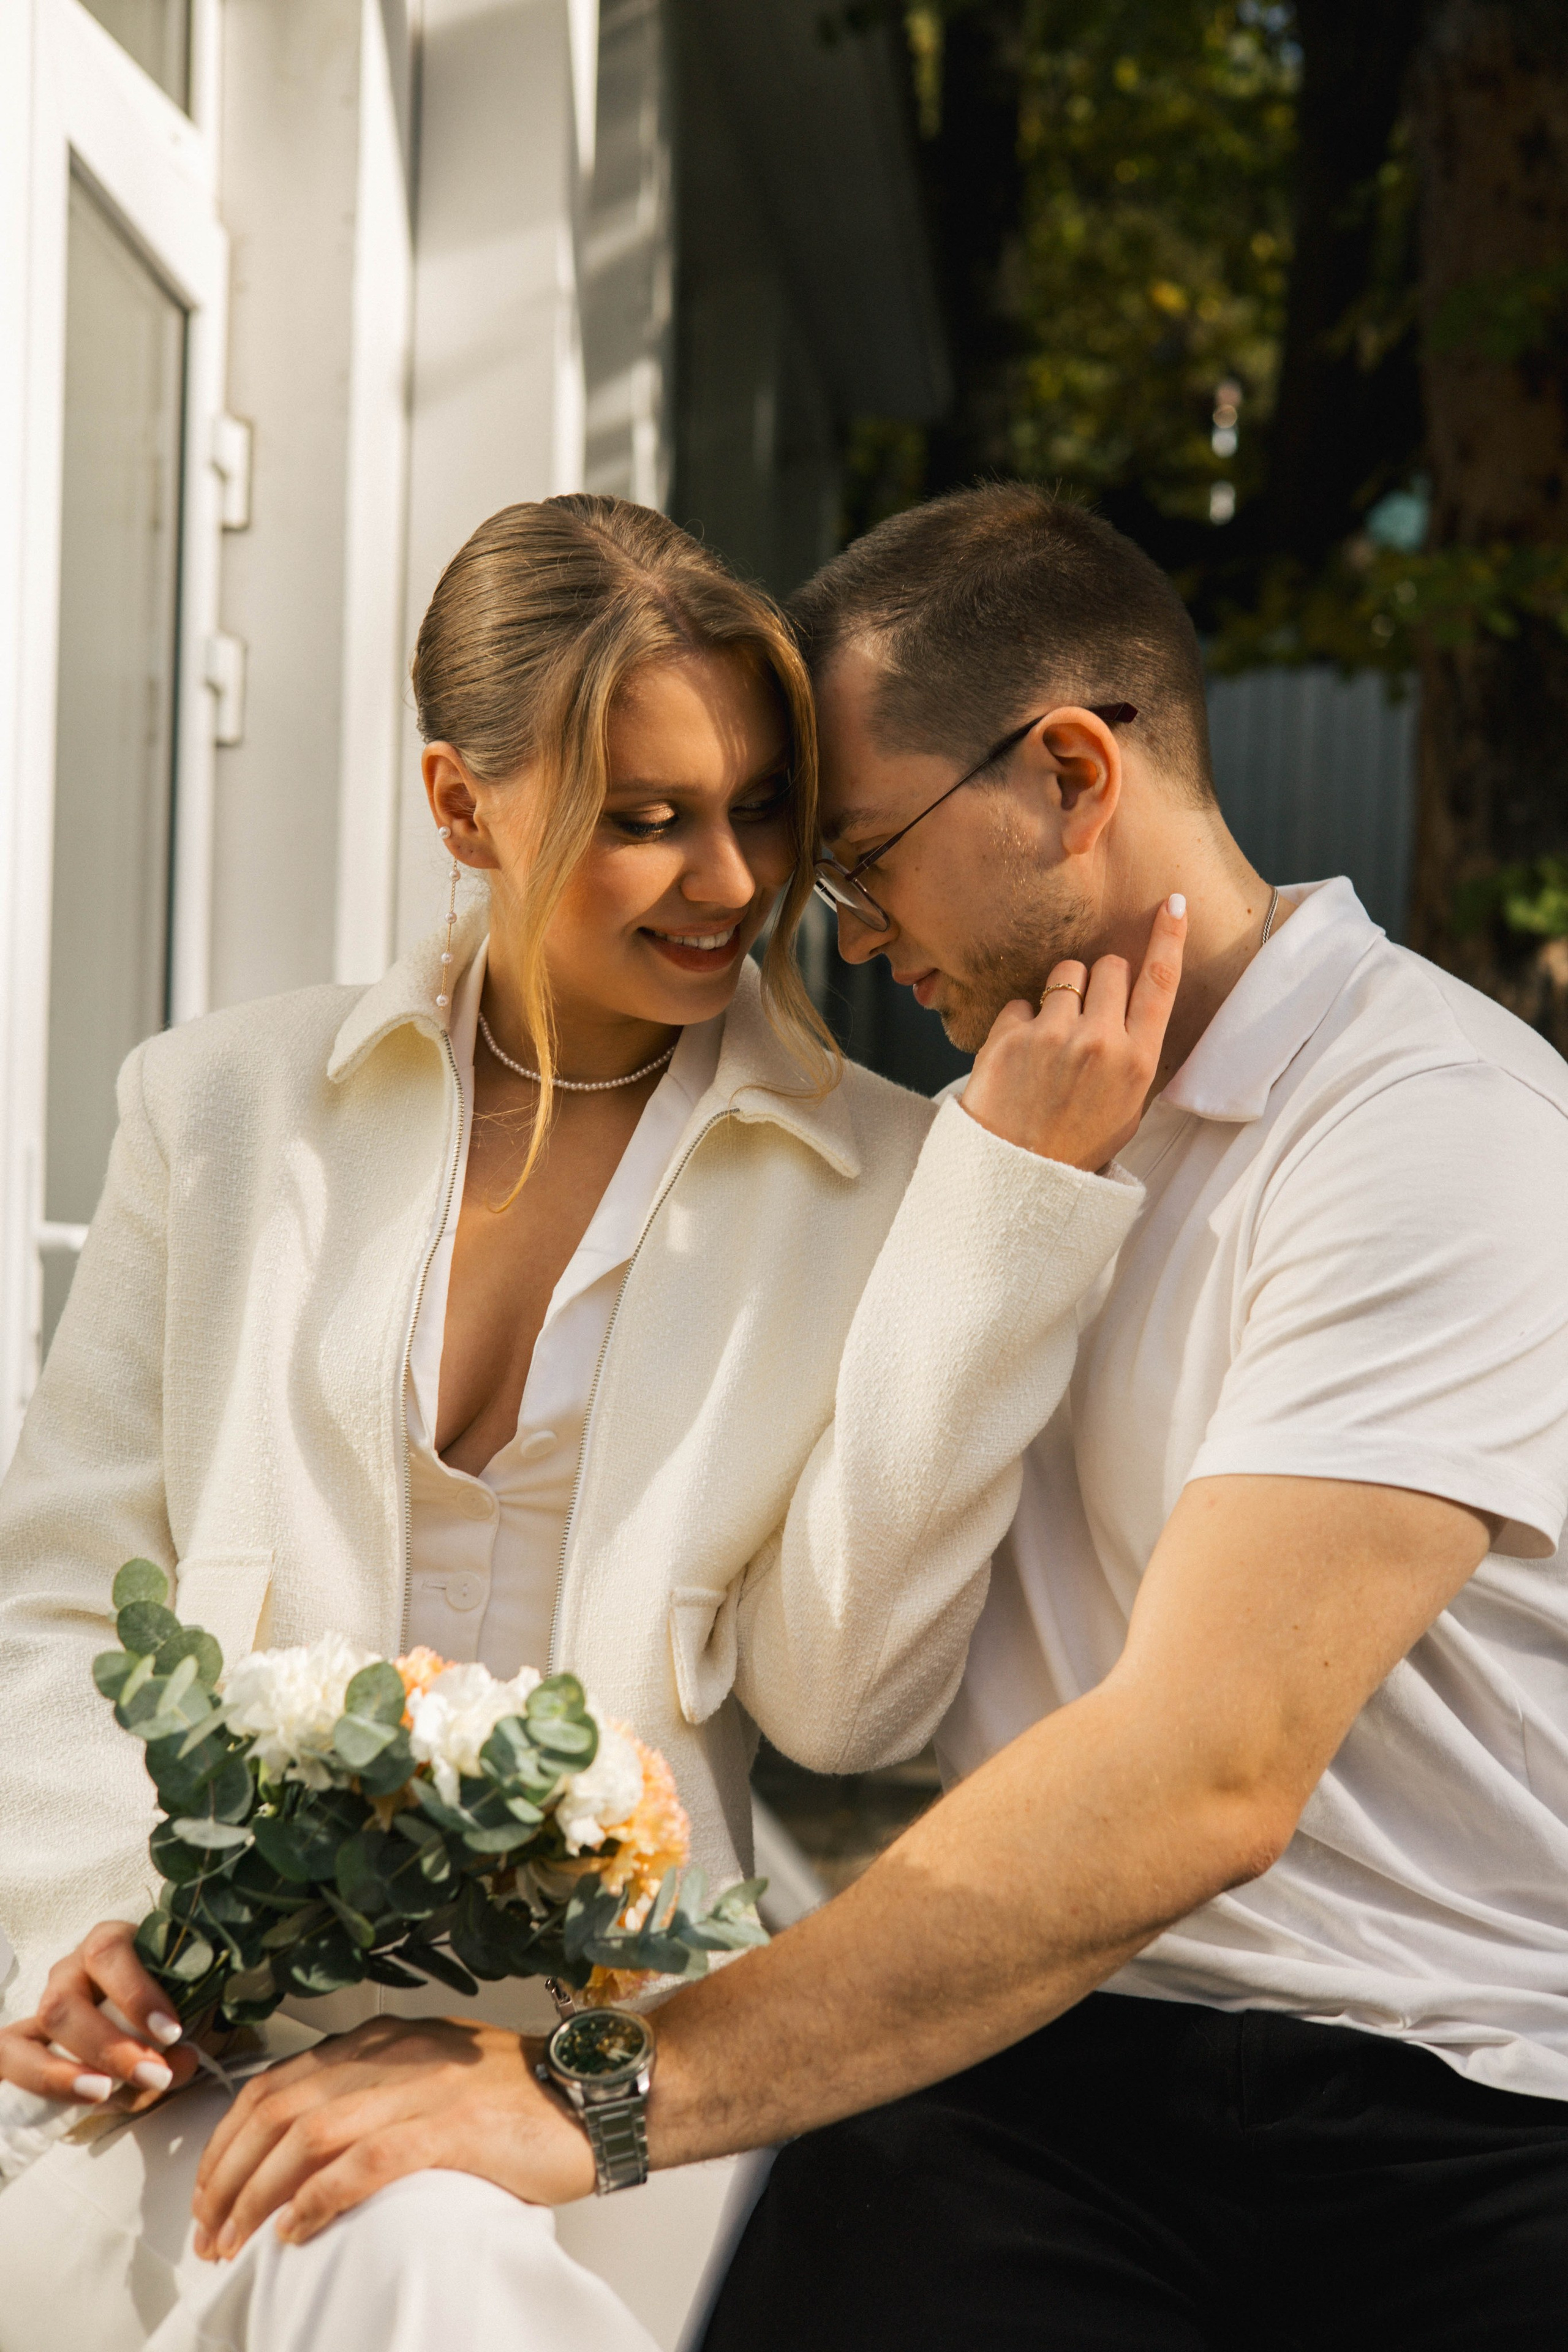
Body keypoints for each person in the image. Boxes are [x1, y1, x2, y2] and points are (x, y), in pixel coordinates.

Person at [173, 484, 1568, 2352]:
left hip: (1439, 2094)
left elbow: (1206, 1778)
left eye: (857, 859)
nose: (823, 935)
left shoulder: (1425, 1127)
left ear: (1071, 770)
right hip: (1042, 2059)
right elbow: (846, 1691)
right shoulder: (989, 1133)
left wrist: (590, 2089)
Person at [0, 494, 1174, 2351]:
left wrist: (1005, 1233)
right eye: (646, 819)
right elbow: (67, 1605)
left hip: (598, 2082)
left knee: (428, 2263)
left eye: (761, 811)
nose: (730, 880)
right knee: (378, 2255)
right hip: (179, 2048)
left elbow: (844, 1704)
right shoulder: (216, 1114)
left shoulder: (884, 1186)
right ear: (465, 808)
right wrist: (98, 1929)